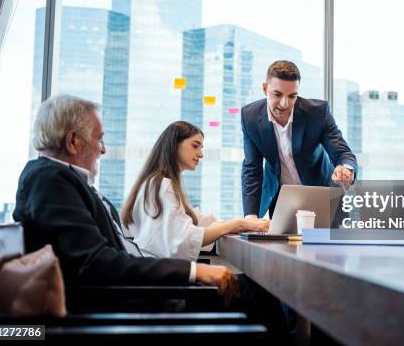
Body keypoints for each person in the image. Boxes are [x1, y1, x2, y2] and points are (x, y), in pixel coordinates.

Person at [13, 95, 236, 294]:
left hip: (133, 285)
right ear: (73, 142)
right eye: (99, 139)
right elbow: (97, 262)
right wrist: (194, 271)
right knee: (249, 294)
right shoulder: (50, 181)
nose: (103, 149)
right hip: (125, 300)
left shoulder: (62, 180)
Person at [121, 121, 269, 260]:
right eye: (195, 146)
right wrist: (236, 224)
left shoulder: (157, 183)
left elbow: (193, 221)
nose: (201, 154)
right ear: (174, 145)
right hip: (162, 277)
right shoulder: (162, 186)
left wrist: (244, 223)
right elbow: (182, 240)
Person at [241, 60, 358, 218]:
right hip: (282, 202)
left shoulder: (317, 113)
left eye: (292, 96)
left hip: (322, 197)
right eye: (277, 94)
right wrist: (251, 216)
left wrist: (346, 169)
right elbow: (252, 169)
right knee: (278, 243)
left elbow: (342, 153)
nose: (284, 104)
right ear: (265, 89)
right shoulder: (250, 117)